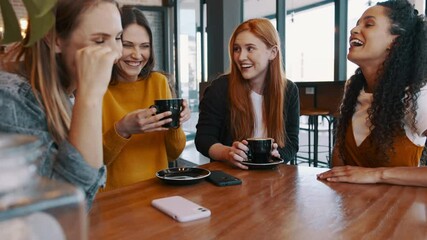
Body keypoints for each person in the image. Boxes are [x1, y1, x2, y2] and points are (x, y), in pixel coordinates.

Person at [0, 0, 123, 206]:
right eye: (99, 41)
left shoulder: (65, 93)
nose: (117, 54)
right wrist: (90, 98)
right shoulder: (11, 100)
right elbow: (66, 204)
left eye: (118, 38)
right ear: (55, 39)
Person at [318, 0, 427, 187]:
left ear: (395, 42)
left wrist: (378, 175)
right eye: (357, 23)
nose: (354, 29)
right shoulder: (354, 88)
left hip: (399, 211)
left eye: (368, 24)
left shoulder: (416, 95)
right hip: (352, 210)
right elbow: (339, 161)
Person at [102, 7, 190, 191]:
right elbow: (93, 163)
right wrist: (122, 129)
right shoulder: (97, 89)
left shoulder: (158, 82)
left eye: (145, 46)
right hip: (113, 199)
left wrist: (176, 123)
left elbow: (174, 153)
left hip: (158, 191)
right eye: (128, 45)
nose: (137, 54)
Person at [195, 18, 300, 169]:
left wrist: (278, 155)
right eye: (237, 49)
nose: (241, 57)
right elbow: (204, 139)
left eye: (250, 48)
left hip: (272, 178)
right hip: (230, 177)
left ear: (272, 52)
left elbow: (291, 142)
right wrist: (227, 153)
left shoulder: (289, 90)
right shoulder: (220, 88)